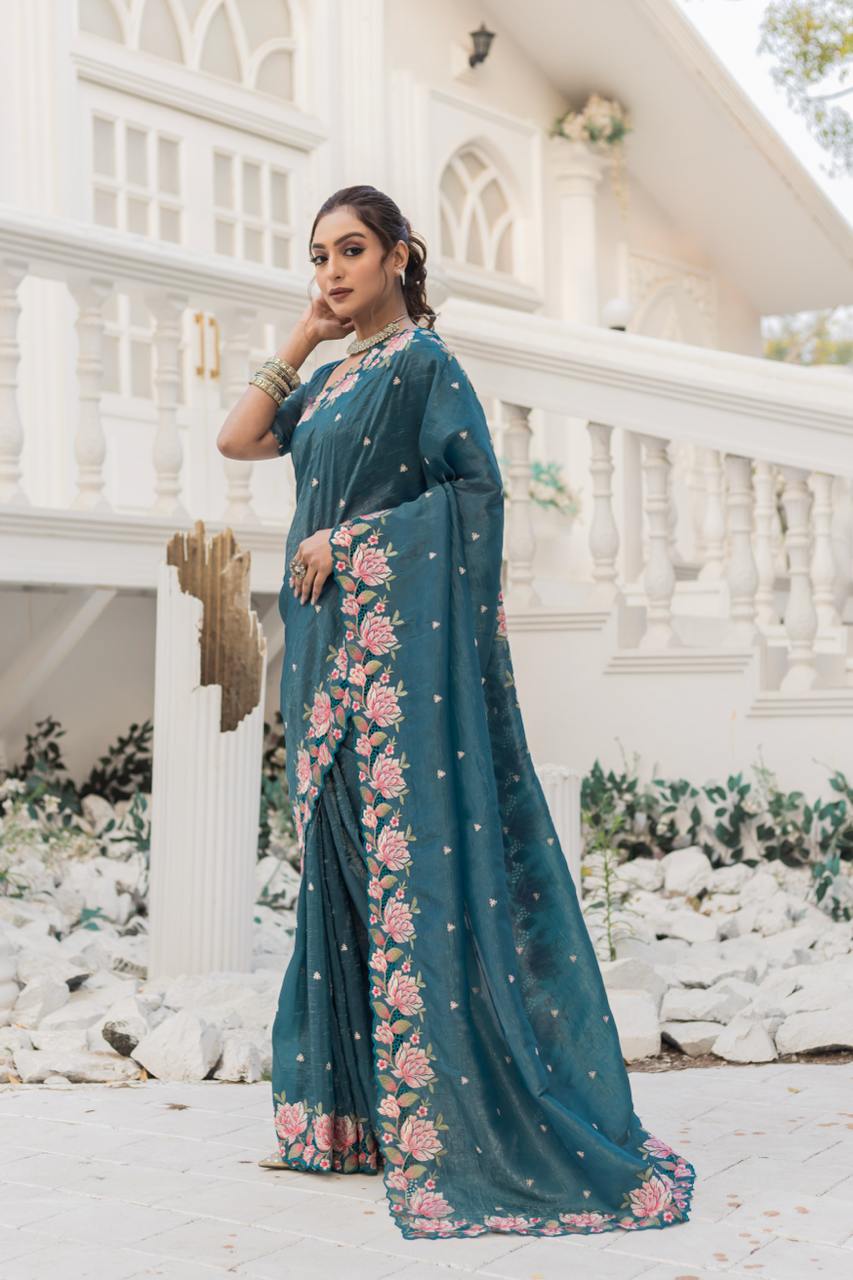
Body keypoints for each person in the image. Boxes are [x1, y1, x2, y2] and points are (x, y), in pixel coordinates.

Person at [216, 184, 696, 1241]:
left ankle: (451, 1121)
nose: (333, 270)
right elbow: (237, 438)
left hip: (394, 671)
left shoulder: (426, 367)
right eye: (318, 256)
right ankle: (353, 1118)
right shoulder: (334, 375)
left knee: (410, 886)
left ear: (399, 255)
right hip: (322, 658)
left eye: (351, 250)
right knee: (339, 876)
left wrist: (350, 543)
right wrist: (302, 334)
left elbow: (475, 501)